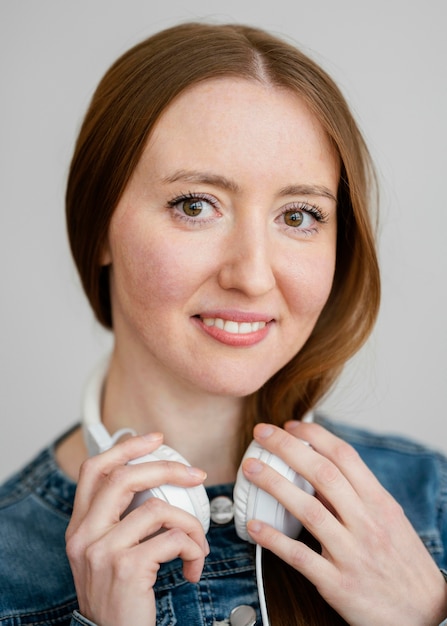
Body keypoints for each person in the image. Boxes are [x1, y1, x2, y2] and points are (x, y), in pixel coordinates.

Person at [0, 20, 446, 626]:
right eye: (195, 205)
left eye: (299, 215)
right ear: (100, 223)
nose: (253, 276)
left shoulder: (432, 505)